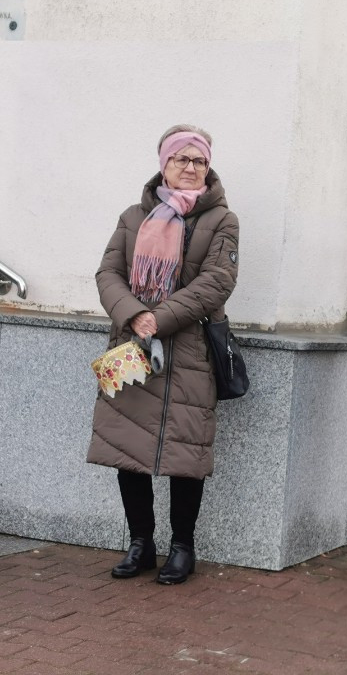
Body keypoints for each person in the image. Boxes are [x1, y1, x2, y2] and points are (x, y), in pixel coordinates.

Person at [87, 124, 240, 585]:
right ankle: (140, 543)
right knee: (126, 445)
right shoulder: (134, 215)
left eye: (200, 161)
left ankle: (182, 547)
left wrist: (161, 317)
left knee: (184, 452)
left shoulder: (222, 221)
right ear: (164, 164)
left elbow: (217, 281)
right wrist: (135, 314)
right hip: (132, 345)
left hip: (190, 349)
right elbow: (108, 272)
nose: (191, 168)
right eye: (182, 159)